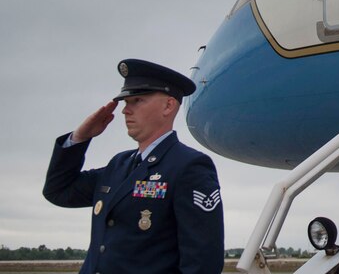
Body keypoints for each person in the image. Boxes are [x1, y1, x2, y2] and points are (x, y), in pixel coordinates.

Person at [43, 59, 225, 274]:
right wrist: (79, 138)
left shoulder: (189, 166)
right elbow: (59, 191)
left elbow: (202, 261)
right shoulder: (118, 165)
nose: (125, 111)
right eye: (125, 102)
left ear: (168, 106)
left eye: (137, 100)